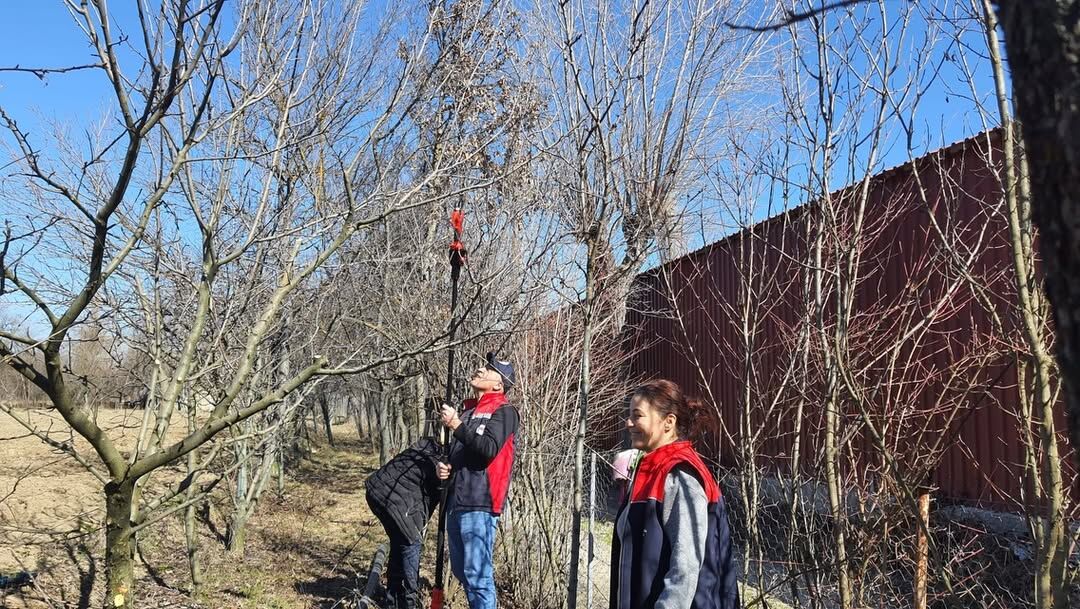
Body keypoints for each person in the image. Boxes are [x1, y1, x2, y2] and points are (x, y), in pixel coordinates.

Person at [610, 379, 740, 609]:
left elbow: (685, 568)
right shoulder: (648, 470)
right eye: (629, 415)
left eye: (637, 416)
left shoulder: (680, 476)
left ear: (668, 422)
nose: (628, 423)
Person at [436, 352, 520, 609]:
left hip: (481, 503)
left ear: (499, 384)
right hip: (456, 501)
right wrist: (446, 468)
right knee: (461, 571)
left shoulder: (505, 411)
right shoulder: (468, 412)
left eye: (488, 369)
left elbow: (488, 448)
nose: (480, 370)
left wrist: (456, 425)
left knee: (478, 576)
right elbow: (461, 454)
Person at [364, 436, 442, 609]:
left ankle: (392, 601)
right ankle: (409, 603)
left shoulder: (427, 447)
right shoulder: (443, 464)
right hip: (394, 500)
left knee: (400, 544)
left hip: (375, 489)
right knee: (411, 544)